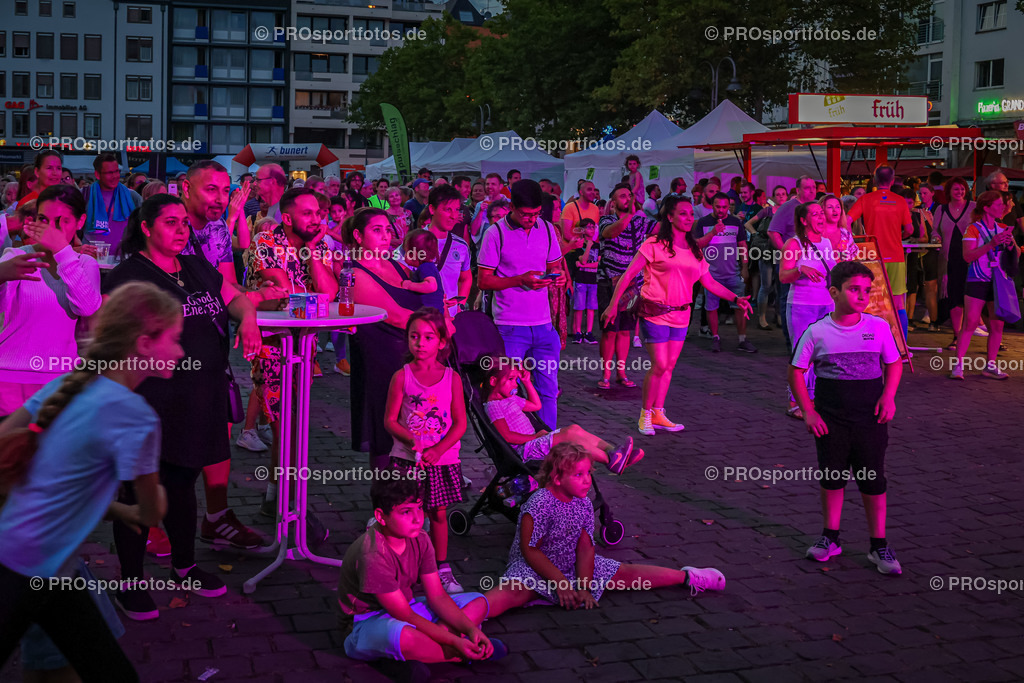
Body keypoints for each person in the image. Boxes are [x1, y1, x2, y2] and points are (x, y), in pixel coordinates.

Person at [0, 282, 178, 682]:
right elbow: (151, 512)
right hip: (22, 568)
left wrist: (113, 507)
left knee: (59, 671)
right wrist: (150, 500)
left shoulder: (66, 386)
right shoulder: (138, 417)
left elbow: (17, 451)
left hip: (48, 567)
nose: (182, 352)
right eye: (175, 339)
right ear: (145, 344)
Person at [106, 194, 263, 619]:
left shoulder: (193, 265)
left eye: (183, 223)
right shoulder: (128, 277)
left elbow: (233, 296)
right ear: (146, 227)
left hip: (202, 395)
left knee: (182, 483)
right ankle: (132, 581)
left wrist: (247, 316)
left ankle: (184, 565)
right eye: (170, 222)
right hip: (151, 401)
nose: (181, 230)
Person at [483, 443, 725, 618]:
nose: (587, 480)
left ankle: (687, 576)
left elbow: (586, 547)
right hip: (535, 567)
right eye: (578, 475)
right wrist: (561, 583)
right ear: (556, 478)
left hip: (571, 563)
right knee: (511, 594)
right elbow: (530, 550)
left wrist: (584, 587)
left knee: (628, 575)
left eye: (588, 472)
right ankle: (465, 619)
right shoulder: (539, 502)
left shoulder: (584, 503)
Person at [602, 195, 753, 436]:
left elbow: (709, 281)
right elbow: (628, 275)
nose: (688, 217)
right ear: (669, 217)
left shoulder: (694, 247)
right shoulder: (653, 244)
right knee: (660, 365)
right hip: (656, 312)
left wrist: (735, 299)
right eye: (682, 213)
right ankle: (645, 414)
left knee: (669, 366)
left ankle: (659, 412)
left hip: (682, 314)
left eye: (690, 214)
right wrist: (612, 305)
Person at [789, 260, 903, 576]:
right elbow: (796, 371)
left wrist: (888, 396)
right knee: (832, 477)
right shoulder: (817, 331)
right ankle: (830, 537)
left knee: (873, 478)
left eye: (867, 290)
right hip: (831, 420)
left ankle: (878, 544)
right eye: (854, 289)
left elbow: (893, 363)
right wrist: (808, 411)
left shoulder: (878, 327)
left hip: (871, 419)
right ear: (834, 292)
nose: (862, 295)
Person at [337, 478, 506, 672]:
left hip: (408, 608)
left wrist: (470, 629)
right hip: (366, 624)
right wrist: (454, 640)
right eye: (406, 512)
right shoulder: (373, 553)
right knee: (401, 636)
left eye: (419, 508)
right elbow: (403, 614)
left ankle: (422, 653)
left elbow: (438, 596)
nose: (418, 518)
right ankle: (458, 654)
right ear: (381, 517)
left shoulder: (421, 538)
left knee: (479, 602)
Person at [248, 188, 339, 518]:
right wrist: (309, 297)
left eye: (319, 213)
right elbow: (283, 294)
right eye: (308, 214)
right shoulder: (268, 242)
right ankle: (283, 500)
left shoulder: (321, 247)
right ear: (287, 218)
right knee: (283, 426)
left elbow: (329, 293)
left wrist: (314, 251)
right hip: (273, 346)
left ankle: (277, 499)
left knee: (296, 425)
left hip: (305, 346)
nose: (317, 219)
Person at [383, 308, 467, 594]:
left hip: (442, 461)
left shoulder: (451, 378)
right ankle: (405, 565)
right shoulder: (401, 377)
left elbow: (459, 424)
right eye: (414, 336)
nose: (420, 343)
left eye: (428, 337)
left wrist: (439, 448)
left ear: (441, 342)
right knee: (406, 513)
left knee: (438, 514)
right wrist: (410, 439)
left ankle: (441, 566)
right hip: (407, 460)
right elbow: (390, 420)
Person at [0, 185, 101, 417]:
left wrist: (62, 251)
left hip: (59, 379)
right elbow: (2, 307)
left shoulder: (85, 264)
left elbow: (86, 306)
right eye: (44, 219)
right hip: (7, 375)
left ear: (80, 221)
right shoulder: (17, 256)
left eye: (62, 221)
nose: (51, 229)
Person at [348, 209, 431, 470]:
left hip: (413, 356)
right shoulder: (355, 272)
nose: (386, 236)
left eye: (387, 229)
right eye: (377, 230)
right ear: (358, 236)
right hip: (381, 361)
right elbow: (395, 315)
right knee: (385, 433)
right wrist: (437, 325)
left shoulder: (397, 265)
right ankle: (387, 501)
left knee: (417, 423)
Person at [477, 180, 564, 429]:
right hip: (510, 327)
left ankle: (546, 443)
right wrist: (519, 280)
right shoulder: (495, 234)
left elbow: (554, 267)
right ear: (511, 207)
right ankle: (514, 444)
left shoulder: (546, 229)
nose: (531, 219)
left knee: (548, 390)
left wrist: (558, 277)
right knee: (508, 390)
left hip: (544, 326)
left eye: (536, 214)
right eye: (526, 214)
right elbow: (483, 281)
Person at [483, 362, 641, 473]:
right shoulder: (494, 406)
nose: (515, 385)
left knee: (574, 429)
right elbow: (506, 435)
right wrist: (533, 437)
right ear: (493, 381)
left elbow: (536, 406)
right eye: (510, 380)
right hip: (525, 450)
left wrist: (526, 382)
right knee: (569, 436)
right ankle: (610, 460)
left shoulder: (510, 399)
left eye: (515, 380)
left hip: (534, 442)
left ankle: (614, 452)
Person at [950, 191, 1020, 380]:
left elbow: (1016, 255)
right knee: (971, 322)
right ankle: (958, 365)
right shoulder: (973, 229)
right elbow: (967, 256)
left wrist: (1011, 246)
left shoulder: (1003, 227)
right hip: (977, 279)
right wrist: (991, 244)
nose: (1003, 208)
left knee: (997, 325)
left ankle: (990, 365)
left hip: (997, 281)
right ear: (987, 208)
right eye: (998, 205)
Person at [780, 202, 837, 419]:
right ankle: (795, 402)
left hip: (827, 305)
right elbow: (783, 277)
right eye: (815, 214)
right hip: (802, 306)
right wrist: (799, 269)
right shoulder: (793, 245)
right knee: (802, 355)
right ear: (804, 220)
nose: (822, 217)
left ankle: (814, 398)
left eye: (822, 213)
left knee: (823, 354)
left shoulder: (827, 242)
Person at [596, 184, 653, 389]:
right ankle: (605, 374)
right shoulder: (606, 220)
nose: (627, 198)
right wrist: (629, 214)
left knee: (625, 331)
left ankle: (621, 372)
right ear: (612, 202)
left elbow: (660, 228)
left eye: (629, 195)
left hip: (632, 284)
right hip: (608, 281)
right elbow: (611, 233)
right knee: (609, 330)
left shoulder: (639, 220)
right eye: (622, 196)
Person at [848, 166, 914, 341]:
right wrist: (897, 236)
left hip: (872, 256)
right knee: (898, 302)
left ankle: (871, 342)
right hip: (896, 256)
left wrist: (854, 239)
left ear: (875, 180)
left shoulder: (866, 199)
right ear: (892, 181)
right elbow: (909, 229)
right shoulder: (900, 201)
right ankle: (902, 346)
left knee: (872, 302)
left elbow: (846, 220)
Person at [694, 193, 756, 353]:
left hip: (733, 273)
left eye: (724, 207)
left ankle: (742, 339)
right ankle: (715, 337)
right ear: (712, 205)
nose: (721, 210)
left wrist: (744, 267)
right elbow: (697, 246)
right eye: (717, 206)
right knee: (711, 307)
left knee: (740, 305)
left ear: (729, 206)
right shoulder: (704, 222)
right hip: (712, 274)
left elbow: (742, 245)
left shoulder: (735, 222)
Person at [933, 177, 975, 348]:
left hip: (971, 259)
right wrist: (935, 238)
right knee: (954, 297)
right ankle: (957, 336)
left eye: (962, 189)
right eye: (956, 189)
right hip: (949, 259)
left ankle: (976, 333)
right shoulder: (941, 210)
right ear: (949, 191)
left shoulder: (973, 207)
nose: (959, 192)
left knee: (974, 297)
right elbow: (935, 230)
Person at [422, 185, 472, 317]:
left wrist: (460, 304)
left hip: (452, 317)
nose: (453, 216)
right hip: (422, 317)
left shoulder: (461, 246)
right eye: (447, 209)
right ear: (432, 209)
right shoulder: (414, 242)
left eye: (456, 210)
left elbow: (466, 278)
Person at [746, 185, 789, 330]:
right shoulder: (768, 210)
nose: (781, 197)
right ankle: (762, 317)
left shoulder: (789, 212)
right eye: (778, 194)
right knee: (766, 285)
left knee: (780, 286)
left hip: (781, 251)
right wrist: (755, 234)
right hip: (766, 251)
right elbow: (748, 223)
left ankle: (778, 316)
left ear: (787, 196)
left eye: (783, 194)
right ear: (774, 197)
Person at [83, 153, 142, 249]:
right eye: (109, 173)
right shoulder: (84, 195)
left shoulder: (133, 197)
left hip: (124, 256)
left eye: (116, 171)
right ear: (97, 174)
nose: (115, 176)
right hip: (92, 257)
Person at [568, 219, 599, 344]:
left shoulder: (598, 245)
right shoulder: (579, 245)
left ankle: (589, 332)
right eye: (588, 227)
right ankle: (578, 332)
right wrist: (589, 246)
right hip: (580, 279)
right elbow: (584, 260)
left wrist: (582, 265)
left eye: (593, 227)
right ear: (582, 230)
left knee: (591, 307)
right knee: (579, 307)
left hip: (593, 280)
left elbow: (597, 263)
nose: (591, 229)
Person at [400, 229, 444, 312]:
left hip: (429, 314)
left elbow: (431, 286)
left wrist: (409, 285)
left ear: (414, 254)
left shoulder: (426, 267)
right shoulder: (428, 267)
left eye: (405, 252)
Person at [471, 173, 506, 239]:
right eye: (487, 184)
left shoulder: (509, 203)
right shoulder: (480, 205)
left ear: (500, 186)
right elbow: (474, 232)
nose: (489, 186)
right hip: (486, 245)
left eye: (493, 184)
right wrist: (480, 212)